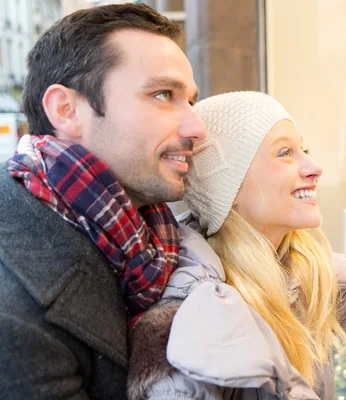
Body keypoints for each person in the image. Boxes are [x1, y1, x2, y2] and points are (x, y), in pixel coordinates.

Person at [128, 91, 346, 399]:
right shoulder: (190, 310)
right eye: (285, 153)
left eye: (304, 150)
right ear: (228, 188)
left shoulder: (303, 267)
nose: (314, 167)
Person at [0, 4, 206, 399]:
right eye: (163, 95)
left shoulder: (151, 244)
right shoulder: (15, 309)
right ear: (66, 110)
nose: (196, 128)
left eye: (191, 101)